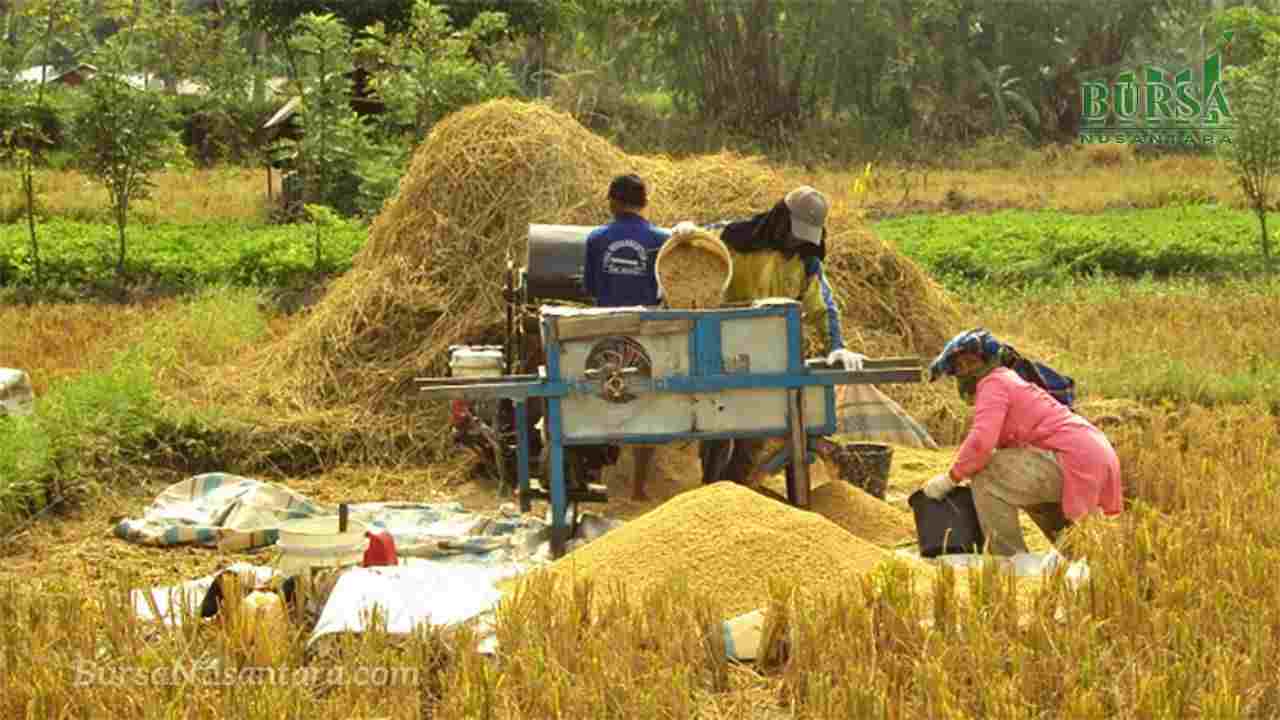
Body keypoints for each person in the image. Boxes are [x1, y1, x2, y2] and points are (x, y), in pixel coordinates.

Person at [677, 186, 867, 485]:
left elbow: (822, 307)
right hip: (720, 348)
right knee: (716, 429)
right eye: (795, 231)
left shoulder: (805, 260)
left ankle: (737, 491)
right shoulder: (734, 236)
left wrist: (837, 346)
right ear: (780, 218)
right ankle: (711, 490)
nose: (797, 240)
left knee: (755, 433)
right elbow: (691, 243)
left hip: (771, 357)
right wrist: (685, 233)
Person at [921, 329, 1123, 555]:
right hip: (1089, 455)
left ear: (988, 360)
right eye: (959, 366)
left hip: (1075, 457)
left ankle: (1010, 562)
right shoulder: (1007, 380)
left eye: (970, 362)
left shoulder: (993, 383)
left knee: (987, 474)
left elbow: (981, 443)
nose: (965, 370)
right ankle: (1082, 557)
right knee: (1014, 484)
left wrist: (951, 478)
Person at [582, 174, 671, 500]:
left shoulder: (596, 239)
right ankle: (638, 488)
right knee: (648, 406)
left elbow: (590, 289)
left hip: (604, 329)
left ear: (613, 202)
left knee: (599, 399)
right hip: (647, 332)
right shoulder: (663, 240)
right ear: (644, 203)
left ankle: (594, 477)